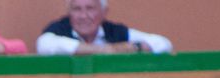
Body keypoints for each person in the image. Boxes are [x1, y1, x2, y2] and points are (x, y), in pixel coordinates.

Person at [36, 0, 172, 55]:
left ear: (104, 12)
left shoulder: (114, 30)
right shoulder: (59, 28)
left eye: (90, 9)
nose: (83, 16)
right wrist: (103, 50)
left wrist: (135, 47)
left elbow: (164, 44)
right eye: (77, 9)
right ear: (68, 13)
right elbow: (44, 45)